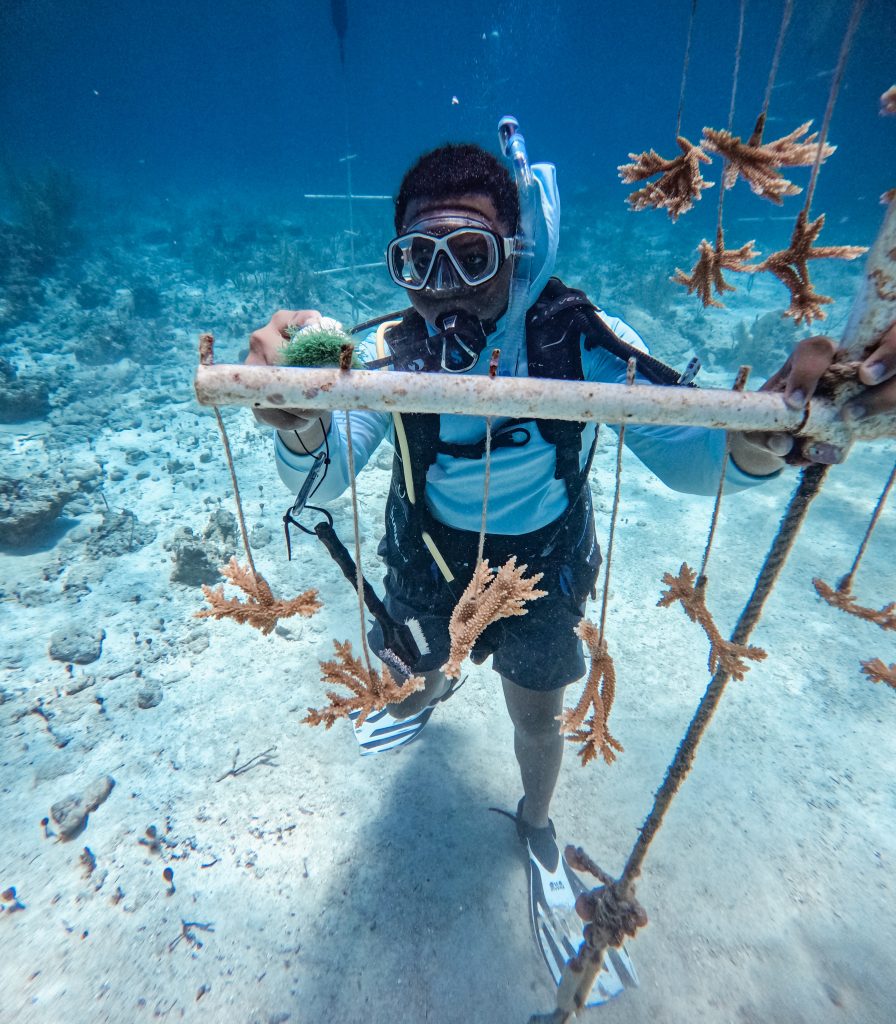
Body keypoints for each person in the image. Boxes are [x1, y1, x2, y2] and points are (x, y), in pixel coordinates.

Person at [247, 142, 896, 1001]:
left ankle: (539, 825)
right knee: (415, 671)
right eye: (417, 260)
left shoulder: (576, 336)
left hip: (543, 562)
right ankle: (428, 703)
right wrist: (295, 417)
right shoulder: (391, 352)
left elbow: (692, 457)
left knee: (537, 714)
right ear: (396, 263)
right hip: (426, 549)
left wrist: (764, 431)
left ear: (515, 252)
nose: (441, 289)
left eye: (470, 257)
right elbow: (327, 469)